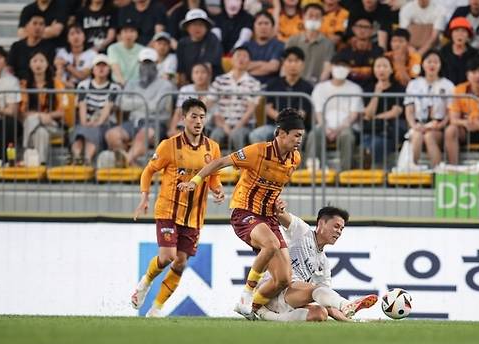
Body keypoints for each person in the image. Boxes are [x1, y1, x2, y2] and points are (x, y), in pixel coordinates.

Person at [178, 108, 304, 319]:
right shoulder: (257, 151)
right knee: (271, 244)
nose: (300, 140)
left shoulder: (295, 159)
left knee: (284, 279)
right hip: (244, 211)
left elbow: (273, 187)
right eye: (296, 135)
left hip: (268, 216)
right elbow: (219, 162)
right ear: (282, 134)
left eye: (301, 135)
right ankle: (246, 295)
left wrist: (277, 204)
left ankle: (252, 308)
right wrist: (195, 181)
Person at [131, 98, 224, 316]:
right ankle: (144, 284)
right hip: (168, 210)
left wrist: (217, 189)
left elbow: (213, 176)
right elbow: (148, 171)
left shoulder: (213, 148)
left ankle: (156, 309)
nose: (198, 121)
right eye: (193, 116)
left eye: (202, 117)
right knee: (167, 256)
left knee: (180, 262)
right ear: (183, 119)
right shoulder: (169, 146)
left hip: (194, 216)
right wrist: (144, 198)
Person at [256, 203, 378, 322]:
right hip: (271, 290)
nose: (339, 231)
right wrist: (278, 208)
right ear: (321, 223)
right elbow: (282, 215)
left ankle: (268, 316)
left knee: (321, 313)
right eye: (336, 226)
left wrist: (351, 322)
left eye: (342, 229)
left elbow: (328, 302)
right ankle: (345, 303)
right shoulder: (303, 231)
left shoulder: (324, 263)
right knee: (317, 289)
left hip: (290, 299)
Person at [105, 48, 175, 166]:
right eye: (144, 64)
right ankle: (131, 163)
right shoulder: (131, 83)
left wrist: (134, 102)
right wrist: (145, 102)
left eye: (149, 63)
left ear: (156, 64)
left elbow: (156, 107)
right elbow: (122, 103)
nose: (146, 67)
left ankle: (125, 160)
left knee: (142, 136)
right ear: (139, 64)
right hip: (134, 122)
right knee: (111, 135)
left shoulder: (165, 85)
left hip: (156, 123)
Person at [306, 54, 364, 170]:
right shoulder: (320, 88)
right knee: (314, 134)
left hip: (346, 127)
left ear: (349, 69)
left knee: (347, 136)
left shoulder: (355, 88)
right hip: (324, 125)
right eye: (338, 65)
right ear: (331, 67)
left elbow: (353, 115)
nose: (340, 68)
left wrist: (338, 129)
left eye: (344, 66)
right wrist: (326, 128)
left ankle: (345, 173)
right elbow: (318, 112)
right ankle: (313, 171)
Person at [249, 47, 313, 143]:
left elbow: (303, 113)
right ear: (283, 63)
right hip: (274, 125)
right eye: (289, 61)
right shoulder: (273, 84)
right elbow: (268, 108)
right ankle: (264, 158)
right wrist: (283, 120)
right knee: (256, 135)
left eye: (297, 61)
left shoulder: (308, 87)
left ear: (303, 64)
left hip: (297, 127)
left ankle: (295, 158)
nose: (293, 65)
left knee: (298, 137)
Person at [404, 49, 455, 168]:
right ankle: (411, 170)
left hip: (437, 125)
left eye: (435, 62)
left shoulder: (447, 85)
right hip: (418, 124)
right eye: (429, 61)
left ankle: (437, 170)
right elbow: (409, 108)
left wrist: (441, 124)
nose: (432, 65)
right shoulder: (414, 84)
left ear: (440, 65)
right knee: (416, 135)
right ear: (423, 64)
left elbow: (450, 110)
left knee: (429, 136)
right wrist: (413, 125)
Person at [445, 57, 479, 164]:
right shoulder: (459, 90)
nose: (477, 76)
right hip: (466, 129)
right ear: (467, 75)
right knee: (451, 130)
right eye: (473, 72)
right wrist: (465, 122)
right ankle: (453, 167)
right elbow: (453, 119)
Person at [207, 46, 261, 152]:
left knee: (237, 135)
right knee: (215, 135)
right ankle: (213, 167)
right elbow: (211, 103)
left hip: (244, 125)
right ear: (231, 60)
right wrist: (223, 125)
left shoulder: (254, 83)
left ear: (249, 62)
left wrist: (237, 127)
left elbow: (251, 109)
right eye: (238, 55)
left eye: (245, 56)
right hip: (222, 124)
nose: (241, 59)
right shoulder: (220, 80)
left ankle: (241, 166)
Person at [70, 55, 122, 165]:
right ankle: (77, 157)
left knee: (92, 130)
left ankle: (87, 159)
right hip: (87, 121)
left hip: (106, 123)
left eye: (104, 66)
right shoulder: (83, 85)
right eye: (98, 66)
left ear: (109, 69)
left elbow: (108, 107)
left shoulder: (114, 88)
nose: (101, 69)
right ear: (93, 69)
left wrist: (98, 122)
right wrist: (85, 122)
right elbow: (82, 105)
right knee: (81, 131)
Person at [19, 50, 65, 166]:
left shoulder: (57, 84)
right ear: (30, 64)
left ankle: (26, 148)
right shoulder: (24, 85)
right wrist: (40, 116)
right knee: (41, 133)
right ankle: (41, 165)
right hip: (35, 125)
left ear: (47, 64)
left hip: (53, 125)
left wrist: (48, 116)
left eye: (41, 61)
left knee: (33, 121)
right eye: (35, 61)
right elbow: (22, 112)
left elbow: (62, 111)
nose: (38, 64)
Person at [361, 56, 404, 168]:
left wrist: (377, 117)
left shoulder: (398, 88)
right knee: (364, 146)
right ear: (374, 70)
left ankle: (377, 175)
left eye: (385, 66)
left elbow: (395, 111)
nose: (381, 70)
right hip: (371, 129)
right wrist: (377, 93)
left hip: (388, 130)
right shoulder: (368, 88)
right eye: (378, 66)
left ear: (391, 70)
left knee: (377, 144)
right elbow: (368, 113)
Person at [285, 1, 334, 84]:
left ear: (322, 19)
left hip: (317, 86)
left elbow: (327, 69)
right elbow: (285, 66)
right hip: (294, 85)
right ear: (303, 17)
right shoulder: (293, 40)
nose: (313, 19)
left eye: (317, 16)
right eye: (310, 15)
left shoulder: (328, 44)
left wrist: (319, 87)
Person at [176, 9, 224, 86]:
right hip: (189, 86)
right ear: (187, 27)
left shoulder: (212, 39)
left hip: (212, 85)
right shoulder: (182, 43)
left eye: (201, 24)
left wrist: (203, 91)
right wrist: (184, 88)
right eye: (194, 24)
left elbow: (208, 67)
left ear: (206, 27)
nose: (197, 28)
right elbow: (181, 70)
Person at [168, 63, 213, 137]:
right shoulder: (185, 90)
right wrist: (172, 128)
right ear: (192, 76)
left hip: (206, 127)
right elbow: (179, 111)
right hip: (185, 125)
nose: (199, 75)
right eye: (196, 72)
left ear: (209, 75)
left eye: (203, 72)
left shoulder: (214, 91)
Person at [338, 16, 384, 86]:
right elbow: (341, 70)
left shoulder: (378, 51)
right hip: (349, 89)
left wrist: (353, 70)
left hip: (372, 88)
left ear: (372, 31)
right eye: (359, 26)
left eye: (366, 27)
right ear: (353, 29)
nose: (362, 30)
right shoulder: (345, 51)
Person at [9, 14, 56, 80]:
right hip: (18, 83)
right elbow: (9, 68)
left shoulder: (50, 47)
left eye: (41, 24)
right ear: (26, 26)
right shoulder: (16, 46)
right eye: (34, 23)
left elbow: (51, 70)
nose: (38, 27)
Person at [243, 11, 285, 84]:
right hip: (247, 85)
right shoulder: (246, 45)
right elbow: (243, 67)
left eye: (266, 23)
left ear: (272, 27)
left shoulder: (279, 45)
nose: (263, 27)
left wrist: (251, 68)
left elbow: (273, 67)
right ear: (254, 26)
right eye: (259, 23)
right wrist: (263, 63)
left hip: (271, 86)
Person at [440, 17, 479, 86]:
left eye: (463, 31)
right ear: (451, 34)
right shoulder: (443, 52)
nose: (460, 34)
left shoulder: (474, 54)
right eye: (456, 31)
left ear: (468, 35)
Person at [54, 24, 96, 89]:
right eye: (72, 34)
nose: (76, 36)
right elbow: (59, 74)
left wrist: (66, 64)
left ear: (84, 36)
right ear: (67, 38)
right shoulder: (61, 53)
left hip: (84, 89)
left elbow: (82, 75)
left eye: (78, 33)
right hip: (63, 88)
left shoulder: (91, 54)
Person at [106, 18, 144, 85]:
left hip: (138, 86)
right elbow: (115, 66)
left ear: (137, 34)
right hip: (117, 85)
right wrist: (123, 82)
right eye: (125, 31)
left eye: (132, 31)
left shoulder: (143, 50)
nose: (128, 34)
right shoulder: (113, 48)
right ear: (120, 34)